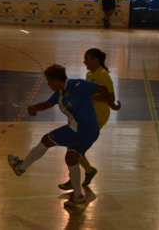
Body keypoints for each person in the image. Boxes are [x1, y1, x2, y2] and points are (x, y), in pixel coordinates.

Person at [8, 64, 121, 207]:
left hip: (82, 129)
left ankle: (20, 167)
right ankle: (78, 196)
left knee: (46, 140)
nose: (48, 84)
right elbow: (47, 104)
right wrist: (34, 107)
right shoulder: (59, 93)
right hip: (89, 132)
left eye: (49, 81)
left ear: (57, 80)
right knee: (71, 158)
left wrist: (113, 105)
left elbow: (103, 89)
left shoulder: (76, 85)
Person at [58, 48, 114, 191]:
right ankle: (88, 171)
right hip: (89, 113)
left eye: (86, 59)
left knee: (75, 144)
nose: (84, 62)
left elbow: (111, 98)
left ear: (95, 60)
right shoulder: (89, 74)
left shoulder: (103, 75)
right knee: (74, 145)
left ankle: (75, 178)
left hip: (100, 114)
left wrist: (89, 96)